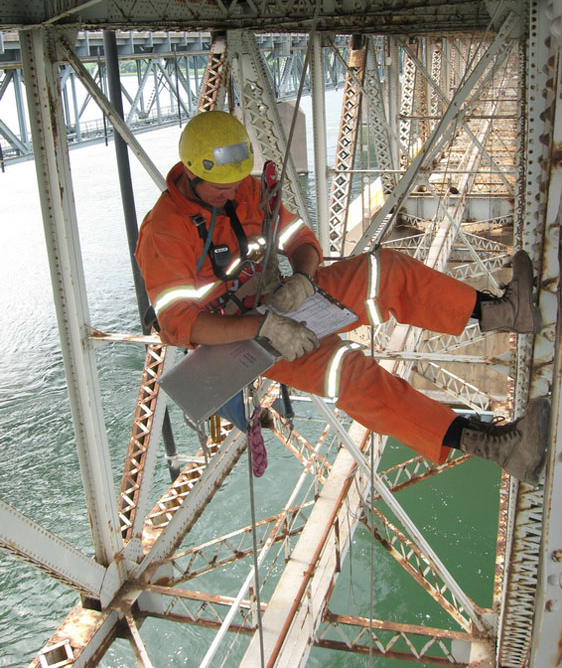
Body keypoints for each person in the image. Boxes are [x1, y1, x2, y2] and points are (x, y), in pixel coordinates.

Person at [136, 110, 550, 487]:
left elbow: (301, 240)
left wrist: (301, 277)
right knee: (352, 377)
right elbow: (178, 325)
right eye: (218, 189)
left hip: (280, 302)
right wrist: (264, 326)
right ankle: (497, 446)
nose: (230, 195)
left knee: (384, 271)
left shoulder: (247, 190)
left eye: (235, 184)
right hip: (239, 339)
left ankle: (500, 311)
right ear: (190, 173)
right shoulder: (164, 232)